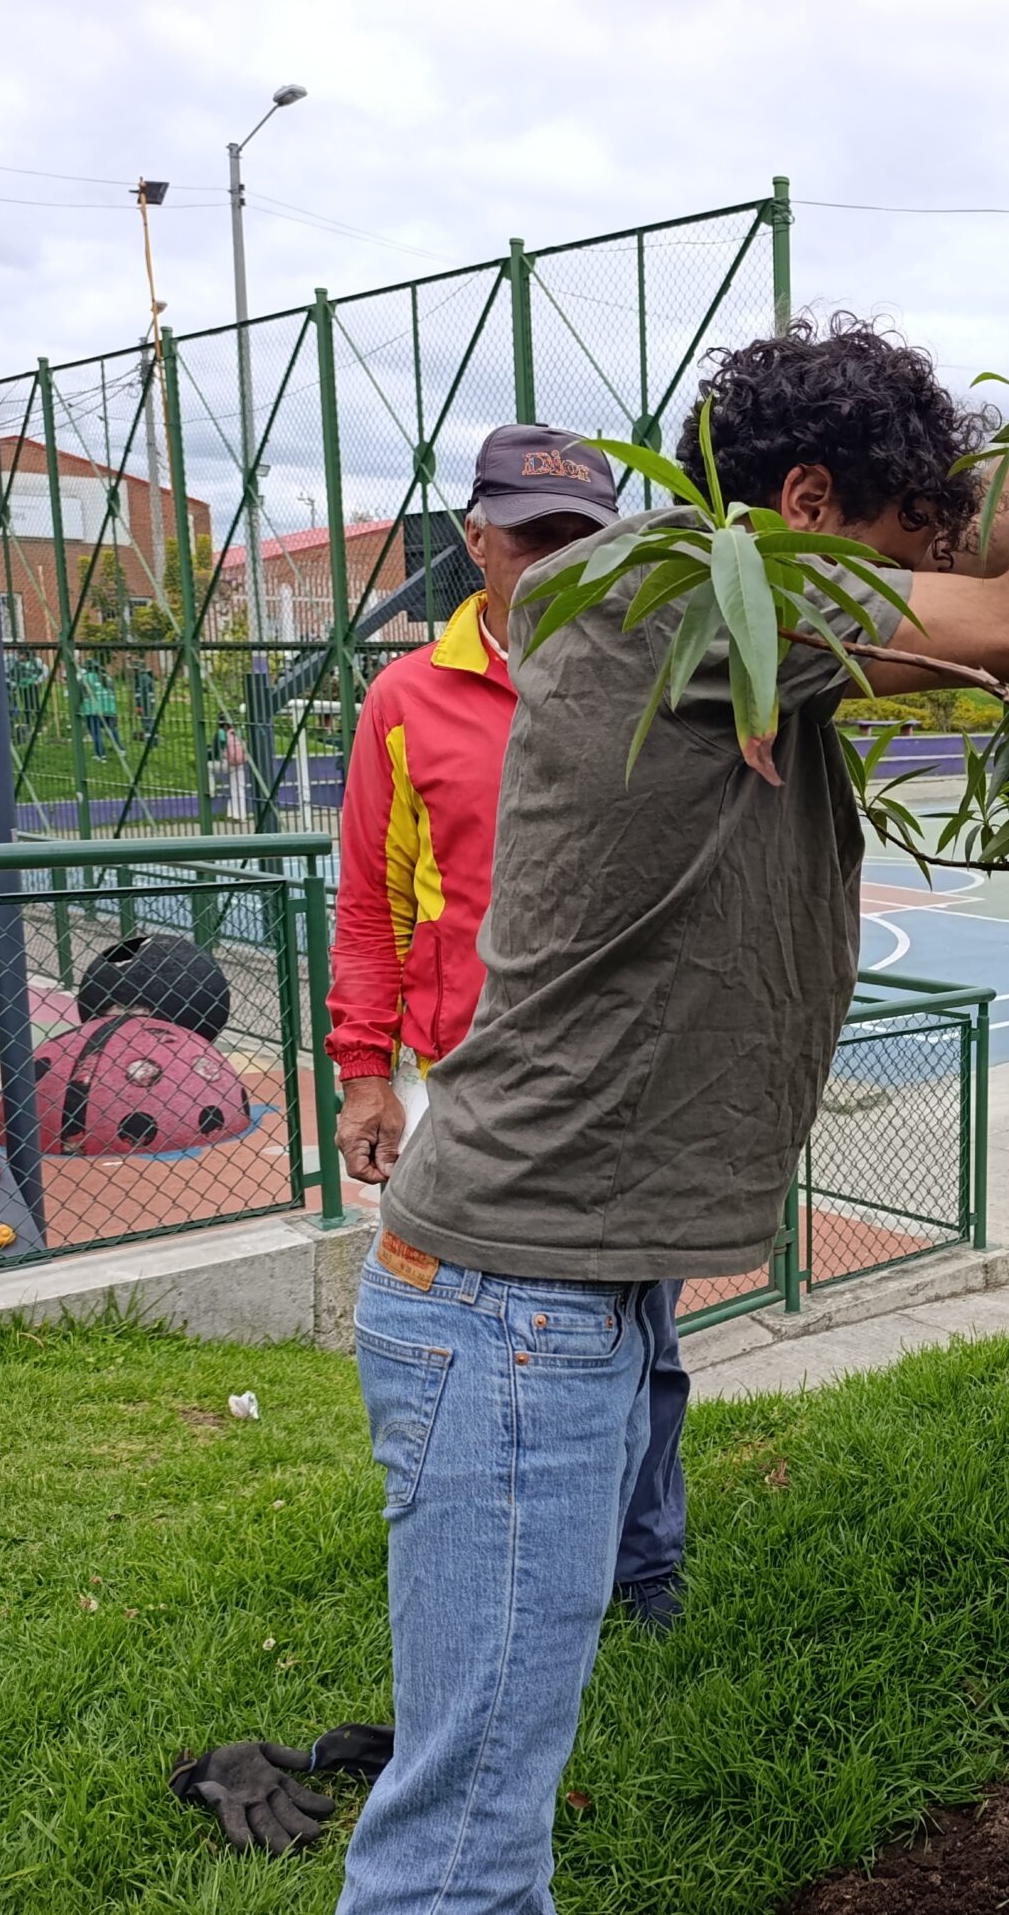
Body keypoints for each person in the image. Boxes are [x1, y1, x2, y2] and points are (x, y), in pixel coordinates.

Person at [337, 169, 1009, 1915]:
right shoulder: (673, 591)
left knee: (487, 1805)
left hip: (557, 1291)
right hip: (509, 1299)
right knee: (457, 1843)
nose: (929, 576)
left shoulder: (744, 595)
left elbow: (995, 530)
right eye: (899, 546)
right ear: (813, 501)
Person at [325, 424, 697, 1634]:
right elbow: (371, 906)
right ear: (473, 535)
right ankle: (497, 1565)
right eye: (530, 533)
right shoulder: (407, 699)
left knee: (646, 1337)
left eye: (580, 538)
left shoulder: (655, 669)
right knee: (478, 1346)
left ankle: (642, 1569)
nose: (551, 560)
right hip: (466, 1085)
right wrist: (365, 1075)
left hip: (628, 1081)